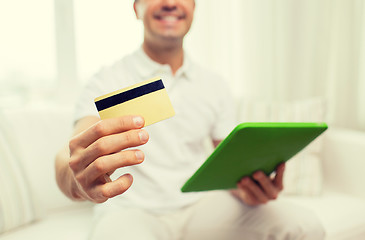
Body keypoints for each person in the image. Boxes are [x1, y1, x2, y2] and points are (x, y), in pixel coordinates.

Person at [55, 0, 325, 239]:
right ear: (136, 8)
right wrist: (74, 177)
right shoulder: (105, 80)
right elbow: (71, 154)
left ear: (194, 7)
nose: (171, 2)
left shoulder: (214, 84)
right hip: (130, 212)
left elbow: (227, 162)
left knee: (306, 225)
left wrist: (246, 188)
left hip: (199, 206)